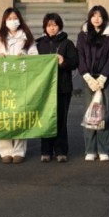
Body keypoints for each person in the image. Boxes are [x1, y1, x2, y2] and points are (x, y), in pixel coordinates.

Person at [0, 7, 37, 164]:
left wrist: (25, 56)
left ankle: (19, 150)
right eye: (9, 18)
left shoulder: (27, 37)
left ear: (20, 19)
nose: (12, 21)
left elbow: (35, 56)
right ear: (5, 21)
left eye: (15, 18)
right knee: (3, 114)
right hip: (3, 81)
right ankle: (5, 150)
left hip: (21, 81)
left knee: (20, 114)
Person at [77, 5, 109, 162]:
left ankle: (103, 149)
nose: (96, 19)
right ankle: (90, 149)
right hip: (88, 79)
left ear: (104, 18)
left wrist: (103, 78)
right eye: (93, 15)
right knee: (90, 114)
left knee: (103, 114)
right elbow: (80, 55)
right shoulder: (83, 35)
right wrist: (87, 77)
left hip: (105, 80)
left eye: (100, 16)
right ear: (89, 18)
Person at [36, 13, 78, 163]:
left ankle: (61, 151)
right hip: (44, 89)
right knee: (45, 118)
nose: (52, 28)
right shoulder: (39, 44)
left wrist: (63, 61)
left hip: (62, 87)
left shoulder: (67, 43)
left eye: (54, 25)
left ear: (59, 26)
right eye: (49, 25)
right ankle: (46, 151)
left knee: (61, 119)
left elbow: (75, 62)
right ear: (44, 27)